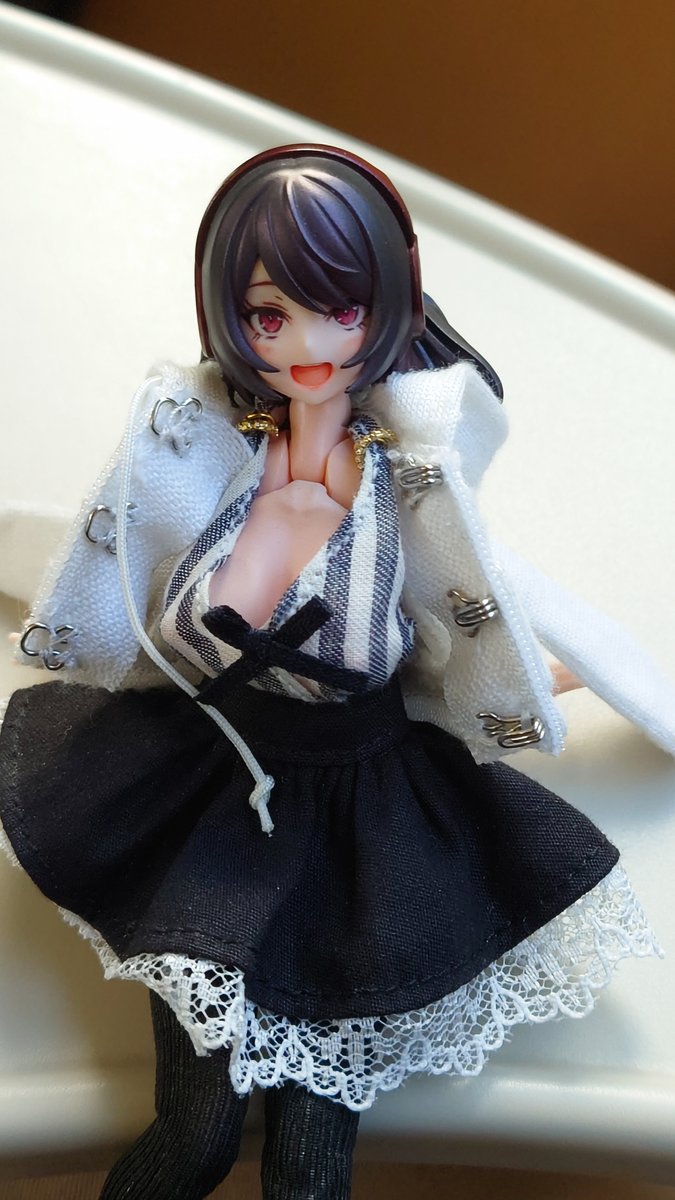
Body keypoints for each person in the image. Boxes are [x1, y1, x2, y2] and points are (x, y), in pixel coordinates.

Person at [0, 145, 671, 1200]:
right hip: (216, 796)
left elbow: (483, 606)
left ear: (388, 306)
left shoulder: (409, 482)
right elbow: (182, 625)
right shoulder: (221, 460)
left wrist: (539, 676)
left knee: (310, 1169)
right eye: (269, 315)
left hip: (367, 824)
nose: (307, 346)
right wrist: (268, 543)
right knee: (195, 1132)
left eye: (340, 311)